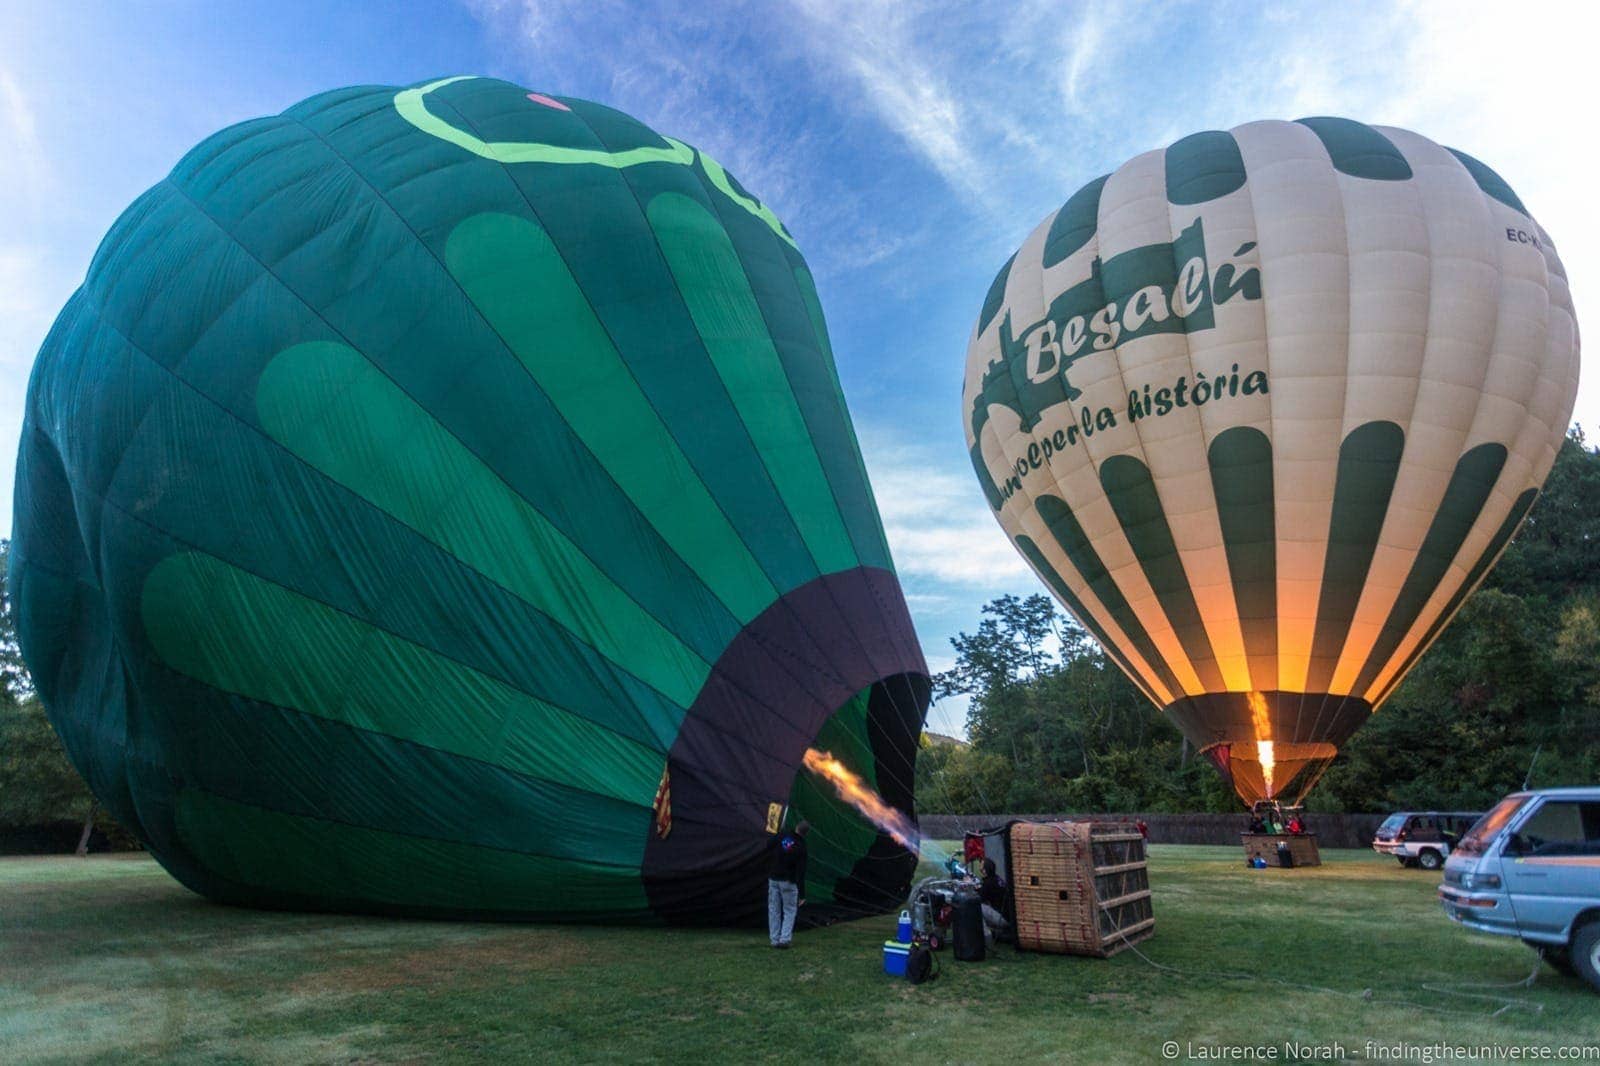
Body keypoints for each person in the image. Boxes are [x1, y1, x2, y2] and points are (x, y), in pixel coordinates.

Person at [767, 821, 809, 949]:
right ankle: (784, 939)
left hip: (774, 878)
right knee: (789, 911)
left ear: (796, 827)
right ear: (806, 834)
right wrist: (802, 894)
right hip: (789, 882)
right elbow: (801, 872)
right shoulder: (802, 847)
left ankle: (774, 940)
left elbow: (769, 844)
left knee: (774, 910)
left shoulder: (784, 837)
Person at [977, 858, 1009, 943]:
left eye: (981, 866)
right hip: (1008, 917)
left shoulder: (988, 883)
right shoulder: (997, 879)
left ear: (985, 870)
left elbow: (979, 898)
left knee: (975, 907)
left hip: (1002, 919)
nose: (979, 868)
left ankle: (986, 936)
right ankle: (997, 932)